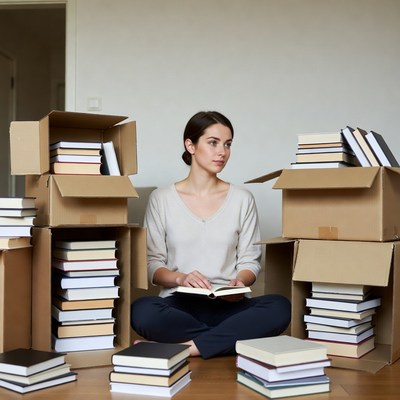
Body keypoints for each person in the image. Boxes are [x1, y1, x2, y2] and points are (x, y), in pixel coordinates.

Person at [131, 111, 291, 359]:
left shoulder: (242, 199)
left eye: (228, 144)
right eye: (213, 142)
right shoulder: (161, 199)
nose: (222, 152)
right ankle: (229, 339)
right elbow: (153, 265)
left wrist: (241, 282)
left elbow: (250, 260)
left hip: (230, 304)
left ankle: (190, 348)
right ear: (190, 145)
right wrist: (181, 278)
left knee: (280, 307)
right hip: (179, 305)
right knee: (142, 310)